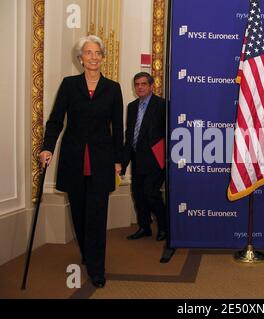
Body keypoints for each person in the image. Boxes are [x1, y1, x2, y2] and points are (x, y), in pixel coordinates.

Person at [39, 35, 123, 288]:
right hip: (74, 159)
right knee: (79, 212)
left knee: (97, 214)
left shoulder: (113, 88)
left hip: (101, 160)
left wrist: (119, 160)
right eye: (88, 53)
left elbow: (118, 128)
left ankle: (97, 269)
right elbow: (56, 120)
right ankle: (88, 253)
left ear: (103, 58)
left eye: (97, 53)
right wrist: (47, 148)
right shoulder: (68, 85)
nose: (93, 57)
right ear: (81, 59)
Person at [122, 72, 167, 242]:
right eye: (137, 84)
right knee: (138, 194)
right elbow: (129, 135)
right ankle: (144, 227)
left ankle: (163, 227)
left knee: (151, 193)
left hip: (156, 159)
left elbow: (168, 133)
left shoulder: (162, 105)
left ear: (151, 86)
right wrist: (123, 162)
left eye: (143, 84)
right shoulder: (131, 107)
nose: (139, 87)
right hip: (136, 158)